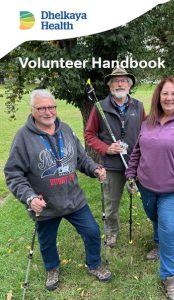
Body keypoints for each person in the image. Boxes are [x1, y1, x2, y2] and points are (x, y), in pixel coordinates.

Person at [4, 89, 112, 291]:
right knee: (47, 242)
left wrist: (95, 169)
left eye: (51, 106)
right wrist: (29, 198)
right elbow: (13, 173)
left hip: (73, 200)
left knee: (92, 231)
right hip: (45, 204)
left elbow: (81, 158)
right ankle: (52, 269)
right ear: (33, 110)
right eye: (42, 108)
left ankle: (94, 264)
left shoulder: (67, 130)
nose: (48, 111)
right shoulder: (23, 137)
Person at [125, 77, 174, 300]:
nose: (169, 98)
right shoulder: (148, 122)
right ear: (158, 97)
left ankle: (169, 277)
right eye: (165, 93)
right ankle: (160, 242)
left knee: (169, 230)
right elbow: (137, 152)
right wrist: (131, 174)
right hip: (147, 186)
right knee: (155, 217)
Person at [85, 67, 145, 247]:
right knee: (111, 205)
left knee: (153, 198)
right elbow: (89, 135)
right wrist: (106, 148)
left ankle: (165, 229)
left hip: (137, 164)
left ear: (129, 84)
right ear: (110, 85)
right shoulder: (99, 107)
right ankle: (111, 232)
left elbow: (147, 133)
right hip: (112, 165)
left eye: (124, 80)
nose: (120, 83)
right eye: (116, 81)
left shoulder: (139, 106)